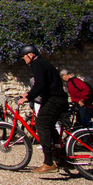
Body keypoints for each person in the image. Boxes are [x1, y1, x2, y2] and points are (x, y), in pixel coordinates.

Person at [17, 45, 68, 173]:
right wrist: (28, 94)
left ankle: (48, 162)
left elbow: (40, 84)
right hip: (58, 99)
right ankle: (62, 158)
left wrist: (27, 98)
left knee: (41, 124)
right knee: (50, 126)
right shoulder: (43, 63)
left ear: (31, 55)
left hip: (54, 100)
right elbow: (43, 84)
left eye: (24, 56)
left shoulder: (37, 64)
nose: (23, 59)